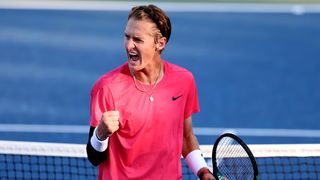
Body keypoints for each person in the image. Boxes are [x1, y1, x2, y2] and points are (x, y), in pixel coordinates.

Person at [86, 4, 215, 180]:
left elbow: (185, 137)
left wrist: (203, 171)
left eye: (138, 40)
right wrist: (100, 135)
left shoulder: (183, 81)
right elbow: (94, 158)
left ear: (160, 44)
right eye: (127, 37)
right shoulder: (106, 88)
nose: (129, 45)